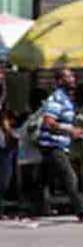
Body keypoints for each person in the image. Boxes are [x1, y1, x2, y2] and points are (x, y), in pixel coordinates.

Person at [36, 69, 83, 223]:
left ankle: (31, 208)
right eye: (68, 76)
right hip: (52, 145)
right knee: (70, 177)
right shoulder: (57, 98)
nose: (72, 79)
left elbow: (64, 121)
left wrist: (76, 130)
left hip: (60, 145)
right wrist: (70, 131)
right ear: (59, 81)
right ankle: (82, 213)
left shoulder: (67, 99)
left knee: (43, 180)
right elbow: (49, 122)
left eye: (73, 76)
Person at [0, 66, 16, 218]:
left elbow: (3, 117)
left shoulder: (3, 98)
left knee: (5, 177)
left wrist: (10, 134)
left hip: (2, 142)